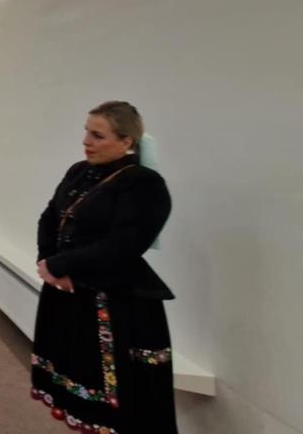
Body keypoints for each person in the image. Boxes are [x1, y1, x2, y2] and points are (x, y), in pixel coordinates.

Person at [31, 102, 177, 433]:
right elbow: (50, 217)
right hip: (68, 291)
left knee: (122, 402)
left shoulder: (144, 183)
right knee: (74, 387)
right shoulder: (79, 171)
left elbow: (123, 245)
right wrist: (47, 262)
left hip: (113, 300)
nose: (86, 141)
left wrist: (59, 264)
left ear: (126, 141)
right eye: (86, 131)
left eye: (98, 135)